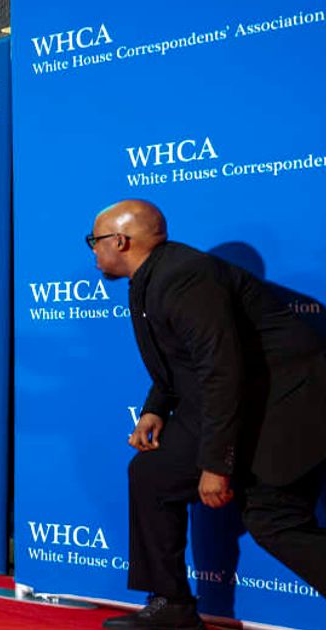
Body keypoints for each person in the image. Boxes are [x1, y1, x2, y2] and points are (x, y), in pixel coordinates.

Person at [90, 199, 326, 629]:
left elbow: (221, 369)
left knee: (274, 518)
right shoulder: (150, 278)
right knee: (153, 475)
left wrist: (216, 465)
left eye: (95, 240)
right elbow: (179, 361)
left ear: (120, 241)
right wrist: (155, 409)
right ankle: (172, 606)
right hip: (244, 403)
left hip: (286, 407)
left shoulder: (184, 277)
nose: (93, 250)